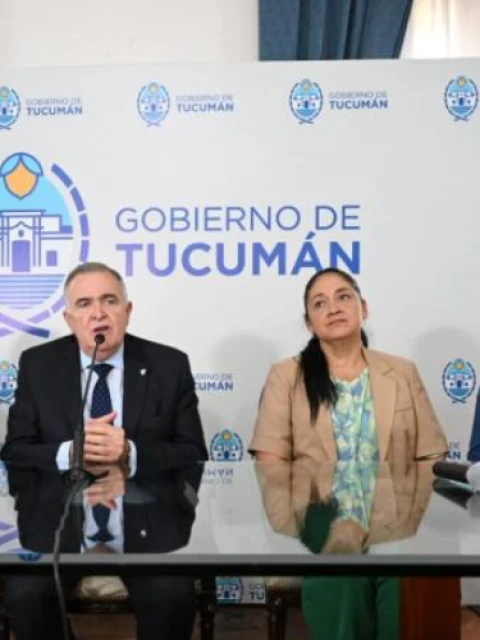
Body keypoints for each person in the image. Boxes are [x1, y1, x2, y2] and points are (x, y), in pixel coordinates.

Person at [1, 261, 208, 640]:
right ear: (69, 318)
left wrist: (131, 451)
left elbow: (192, 450)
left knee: (171, 593)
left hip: (148, 521)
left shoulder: (168, 364)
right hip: (59, 522)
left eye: (109, 300)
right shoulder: (38, 365)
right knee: (26, 594)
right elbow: (15, 451)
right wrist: (69, 453)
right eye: (84, 304)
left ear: (127, 311)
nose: (98, 313)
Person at [249, 267, 447, 640]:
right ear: (309, 323)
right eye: (319, 303)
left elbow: (430, 457)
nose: (334, 308)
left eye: (343, 297)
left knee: (406, 581)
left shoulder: (402, 372)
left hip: (398, 517)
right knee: (343, 573)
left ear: (363, 308)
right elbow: (270, 462)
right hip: (320, 517)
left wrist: (418, 523)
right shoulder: (286, 376)